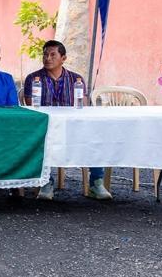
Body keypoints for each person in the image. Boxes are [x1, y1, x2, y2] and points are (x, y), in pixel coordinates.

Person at [23, 40, 110, 201]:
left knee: (95, 138)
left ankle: (96, 183)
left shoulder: (76, 79)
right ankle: (46, 183)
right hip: (45, 127)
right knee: (41, 140)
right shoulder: (33, 79)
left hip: (72, 128)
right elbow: (31, 107)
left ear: (63, 58)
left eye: (52, 55)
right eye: (45, 55)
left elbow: (82, 107)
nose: (47, 58)